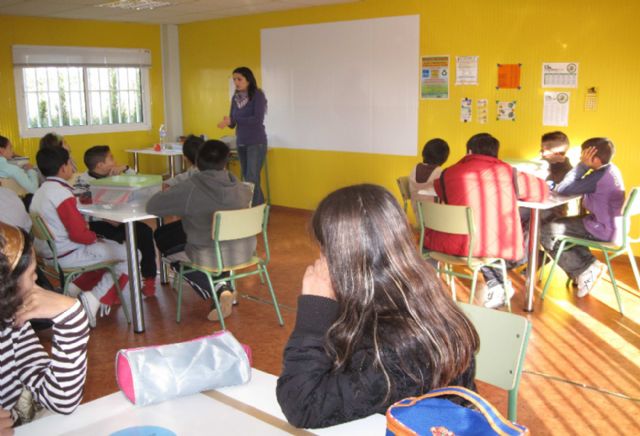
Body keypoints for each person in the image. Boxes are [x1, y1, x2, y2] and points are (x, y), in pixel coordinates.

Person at [276, 184, 479, 429]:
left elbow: (301, 406)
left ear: (344, 261)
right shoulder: (417, 295)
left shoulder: (398, 348)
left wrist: (314, 311)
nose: (321, 260)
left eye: (325, 250)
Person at [423, 133, 549, 308]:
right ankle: (499, 286)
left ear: (469, 151)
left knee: (429, 241)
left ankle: (425, 288)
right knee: (488, 237)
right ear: (496, 153)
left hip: (449, 246)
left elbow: (441, 191)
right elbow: (542, 193)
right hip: (494, 246)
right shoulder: (509, 173)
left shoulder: (448, 173)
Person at [147, 140, 254, 321]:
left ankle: (220, 289)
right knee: (165, 233)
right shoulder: (241, 189)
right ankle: (223, 283)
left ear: (197, 160)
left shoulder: (190, 188)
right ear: (225, 161)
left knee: (166, 247)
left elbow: (153, 206)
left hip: (209, 253)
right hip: (243, 251)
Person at [0, 222, 89, 428]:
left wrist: (73, 320)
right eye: (32, 274)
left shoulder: (12, 320)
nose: (37, 280)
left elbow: (60, 399)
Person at [29, 146, 131, 328]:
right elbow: (78, 235)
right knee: (132, 254)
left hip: (50, 254)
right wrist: (94, 238)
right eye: (70, 163)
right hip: (68, 255)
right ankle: (93, 298)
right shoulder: (61, 194)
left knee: (109, 247)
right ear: (63, 168)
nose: (72, 167)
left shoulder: (41, 191)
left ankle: (75, 289)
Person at [540, 137, 625, 297]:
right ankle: (588, 266)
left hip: (602, 229)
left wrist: (583, 166)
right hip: (610, 226)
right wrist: (585, 165)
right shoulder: (610, 170)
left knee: (545, 232)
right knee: (559, 227)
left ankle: (585, 269)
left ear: (595, 158)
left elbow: (563, 188)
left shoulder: (598, 177)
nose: (581, 158)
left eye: (584, 155)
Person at [74, 146, 157, 297]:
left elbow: (140, 182)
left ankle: (149, 279)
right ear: (100, 165)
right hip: (98, 223)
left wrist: (126, 169)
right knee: (123, 241)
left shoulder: (118, 174)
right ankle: (114, 284)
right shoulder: (84, 182)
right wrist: (107, 216)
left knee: (144, 232)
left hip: (121, 220)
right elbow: (83, 206)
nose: (115, 161)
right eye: (111, 158)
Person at [217, 66, 268, 206]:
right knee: (248, 179)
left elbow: (256, 120)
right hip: (241, 142)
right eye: (234, 79)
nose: (236, 82)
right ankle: (257, 210)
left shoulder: (257, 95)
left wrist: (235, 120)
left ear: (248, 80)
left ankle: (258, 212)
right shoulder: (235, 98)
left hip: (256, 143)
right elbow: (233, 123)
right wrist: (227, 122)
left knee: (252, 179)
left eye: (239, 79)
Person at [408, 138, 450, 216]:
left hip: (419, 217)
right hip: (435, 220)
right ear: (444, 158)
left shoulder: (415, 168)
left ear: (424, 152)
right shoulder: (439, 172)